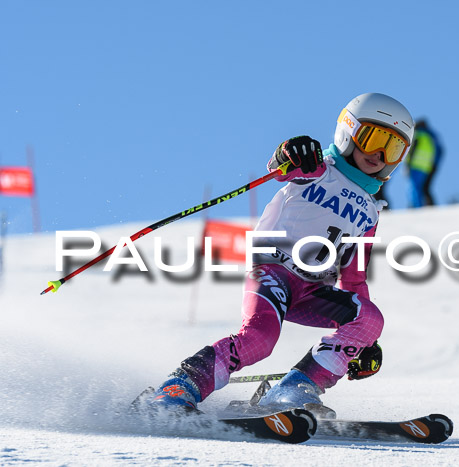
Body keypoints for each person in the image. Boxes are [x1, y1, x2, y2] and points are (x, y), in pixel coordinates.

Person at [146, 93, 414, 413]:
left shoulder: (371, 211)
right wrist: (291, 151)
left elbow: (354, 279)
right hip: (274, 271)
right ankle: (177, 388)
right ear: (348, 131)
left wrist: (365, 342)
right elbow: (280, 167)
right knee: (260, 339)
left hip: (312, 290)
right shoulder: (317, 168)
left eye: (394, 147)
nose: (380, 155)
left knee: (369, 318)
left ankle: (296, 390)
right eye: (373, 139)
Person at [404, 119, 443, 207]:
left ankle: (416, 206)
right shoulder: (430, 137)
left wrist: (407, 164)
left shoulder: (418, 135)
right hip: (426, 167)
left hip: (415, 165)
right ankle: (422, 206)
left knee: (414, 188)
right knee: (421, 188)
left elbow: (411, 151)